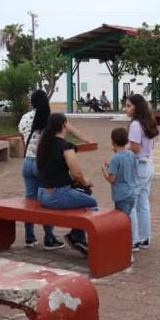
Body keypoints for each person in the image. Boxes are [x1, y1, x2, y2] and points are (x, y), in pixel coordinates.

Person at [36, 113, 96, 256]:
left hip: (42, 193)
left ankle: (77, 235)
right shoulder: (65, 147)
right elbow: (76, 173)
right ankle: (77, 236)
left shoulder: (44, 144)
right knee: (92, 203)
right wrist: (85, 182)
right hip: (57, 195)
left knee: (83, 193)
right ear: (64, 125)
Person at [17, 89, 65, 250]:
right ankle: (49, 237)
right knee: (46, 201)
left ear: (32, 102)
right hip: (42, 164)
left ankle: (29, 237)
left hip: (27, 163)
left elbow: (22, 134)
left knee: (30, 201)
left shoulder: (25, 118)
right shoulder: (50, 120)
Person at [125, 94, 158, 251]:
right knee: (143, 203)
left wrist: (122, 148)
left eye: (129, 105)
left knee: (131, 202)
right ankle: (145, 238)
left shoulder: (135, 125)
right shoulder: (149, 122)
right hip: (149, 164)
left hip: (139, 165)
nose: (127, 108)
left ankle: (134, 240)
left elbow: (135, 147)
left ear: (136, 107)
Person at [102, 127, 137, 218]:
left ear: (113, 142)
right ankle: (132, 232)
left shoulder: (115, 158)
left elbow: (112, 179)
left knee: (122, 221)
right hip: (132, 193)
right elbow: (133, 169)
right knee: (128, 217)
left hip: (121, 195)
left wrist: (104, 172)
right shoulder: (131, 154)